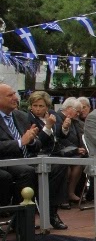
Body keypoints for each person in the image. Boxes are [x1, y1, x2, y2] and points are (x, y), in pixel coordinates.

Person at [0, 84, 68, 229]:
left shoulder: (21, 116)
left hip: (30, 157)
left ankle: (51, 212)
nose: (15, 98)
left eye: (14, 94)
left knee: (58, 166)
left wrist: (31, 140)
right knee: (26, 171)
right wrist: (20, 142)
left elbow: (36, 144)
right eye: (10, 95)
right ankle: (23, 220)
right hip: (7, 161)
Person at [55, 97, 87, 204]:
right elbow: (59, 138)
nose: (78, 114)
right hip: (61, 152)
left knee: (79, 164)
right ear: (69, 108)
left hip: (73, 152)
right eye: (77, 111)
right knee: (66, 168)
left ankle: (71, 192)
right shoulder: (57, 117)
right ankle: (63, 197)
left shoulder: (75, 121)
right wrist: (75, 149)